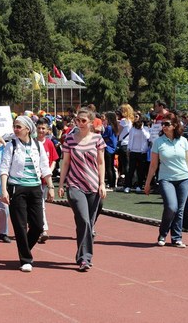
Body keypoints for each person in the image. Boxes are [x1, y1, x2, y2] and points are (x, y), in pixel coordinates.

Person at [0, 116, 55, 273]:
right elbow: (4, 168)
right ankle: (26, 259)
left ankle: (24, 249)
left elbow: (45, 167)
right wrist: (4, 189)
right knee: (20, 225)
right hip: (17, 188)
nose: (16, 129)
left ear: (28, 129)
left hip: (36, 188)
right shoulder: (11, 145)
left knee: (38, 226)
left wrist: (50, 186)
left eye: (19, 127)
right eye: (14, 126)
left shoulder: (38, 145)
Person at [58, 108, 107, 271]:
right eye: (77, 120)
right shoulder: (70, 140)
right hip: (75, 185)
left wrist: (102, 184)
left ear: (91, 122)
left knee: (86, 224)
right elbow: (65, 163)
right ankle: (85, 258)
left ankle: (82, 256)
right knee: (84, 220)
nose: (80, 123)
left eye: (83, 120)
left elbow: (101, 162)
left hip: (93, 186)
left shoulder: (98, 139)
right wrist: (61, 184)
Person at [144, 113, 188, 248]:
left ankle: (176, 238)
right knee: (171, 207)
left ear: (174, 126)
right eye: (163, 124)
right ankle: (163, 233)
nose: (164, 126)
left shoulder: (183, 141)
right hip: (166, 179)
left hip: (184, 178)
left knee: (180, 209)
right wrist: (148, 183)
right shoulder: (158, 142)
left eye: (167, 124)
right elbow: (154, 165)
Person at [36, 117, 59, 243]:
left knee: (41, 204)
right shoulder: (32, 142)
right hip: (35, 179)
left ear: (47, 130)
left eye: (43, 128)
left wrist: (50, 170)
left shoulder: (49, 143)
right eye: (39, 128)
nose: (41, 130)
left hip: (45, 180)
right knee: (40, 204)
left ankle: (41, 228)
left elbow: (54, 159)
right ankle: (42, 229)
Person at [126, 115, 151, 193]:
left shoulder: (146, 129)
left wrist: (142, 128)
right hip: (133, 151)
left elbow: (148, 137)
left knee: (141, 170)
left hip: (142, 152)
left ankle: (139, 186)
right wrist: (128, 148)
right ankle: (128, 186)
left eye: (137, 117)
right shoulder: (132, 129)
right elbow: (130, 139)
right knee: (131, 169)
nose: (135, 119)